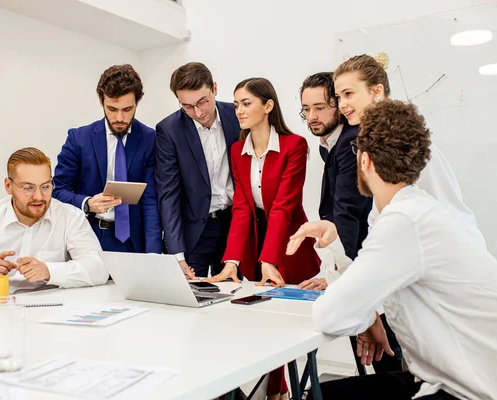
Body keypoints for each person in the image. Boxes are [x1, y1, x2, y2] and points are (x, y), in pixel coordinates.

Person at [287, 99, 497, 400]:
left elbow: (330, 315)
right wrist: (334, 244)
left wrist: (366, 314)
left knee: (318, 397)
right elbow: (365, 284)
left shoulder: (404, 221)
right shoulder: (414, 210)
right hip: (450, 378)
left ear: (365, 160)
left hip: (468, 390)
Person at [207, 77, 321, 400]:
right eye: (237, 103)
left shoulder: (294, 146)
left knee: (282, 326)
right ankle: (275, 391)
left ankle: (278, 392)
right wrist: (231, 260)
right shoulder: (237, 151)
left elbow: (284, 206)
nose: (238, 110)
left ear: (268, 106)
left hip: (287, 244)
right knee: (262, 325)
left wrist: (270, 259)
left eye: (247, 103)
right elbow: (242, 206)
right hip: (258, 244)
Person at [333, 54, 485, 246]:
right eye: (338, 97)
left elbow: (444, 208)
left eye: (348, 94)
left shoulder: (404, 142)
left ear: (376, 91)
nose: (342, 104)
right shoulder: (372, 141)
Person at [0, 148, 109, 302]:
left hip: (47, 319)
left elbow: (99, 269)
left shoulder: (70, 217)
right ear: (8, 186)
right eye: (28, 188)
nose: (39, 196)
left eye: (45, 186)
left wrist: (49, 270)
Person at [53, 64, 162, 254]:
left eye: (127, 109)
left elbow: (150, 200)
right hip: (89, 238)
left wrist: (153, 253)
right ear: (100, 101)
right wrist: (87, 203)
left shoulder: (150, 139)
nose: (119, 117)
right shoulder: (78, 139)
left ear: (138, 102)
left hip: (134, 242)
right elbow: (57, 191)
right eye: (112, 108)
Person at [155, 62, 240, 279]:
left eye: (203, 102)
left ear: (215, 88)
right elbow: (168, 194)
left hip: (234, 224)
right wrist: (176, 254)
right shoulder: (169, 130)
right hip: (194, 232)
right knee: (193, 298)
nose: (198, 112)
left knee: (235, 293)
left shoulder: (237, 115)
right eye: (188, 106)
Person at [298, 72, 372, 290]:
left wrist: (336, 276)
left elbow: (347, 209)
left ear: (339, 105)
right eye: (306, 108)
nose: (312, 116)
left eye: (320, 108)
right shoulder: (330, 142)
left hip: (360, 258)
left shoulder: (350, 142)